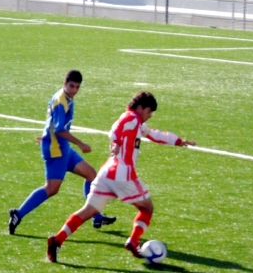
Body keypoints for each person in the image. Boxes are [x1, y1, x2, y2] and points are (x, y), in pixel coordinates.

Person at [47, 91, 196, 263]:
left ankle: (57, 240)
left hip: (107, 174)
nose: (149, 115)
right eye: (149, 111)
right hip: (123, 175)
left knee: (88, 211)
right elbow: (115, 129)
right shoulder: (131, 118)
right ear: (140, 108)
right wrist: (116, 143)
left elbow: (155, 135)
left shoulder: (136, 122)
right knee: (147, 208)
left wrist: (179, 141)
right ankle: (133, 241)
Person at [8, 70, 116, 235]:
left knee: (91, 175)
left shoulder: (64, 97)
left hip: (62, 148)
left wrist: (46, 135)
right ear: (64, 83)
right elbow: (59, 130)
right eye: (71, 86)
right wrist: (80, 143)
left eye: (77, 87)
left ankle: (96, 217)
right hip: (56, 151)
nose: (74, 90)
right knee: (52, 188)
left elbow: (51, 122)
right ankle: (18, 214)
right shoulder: (61, 101)